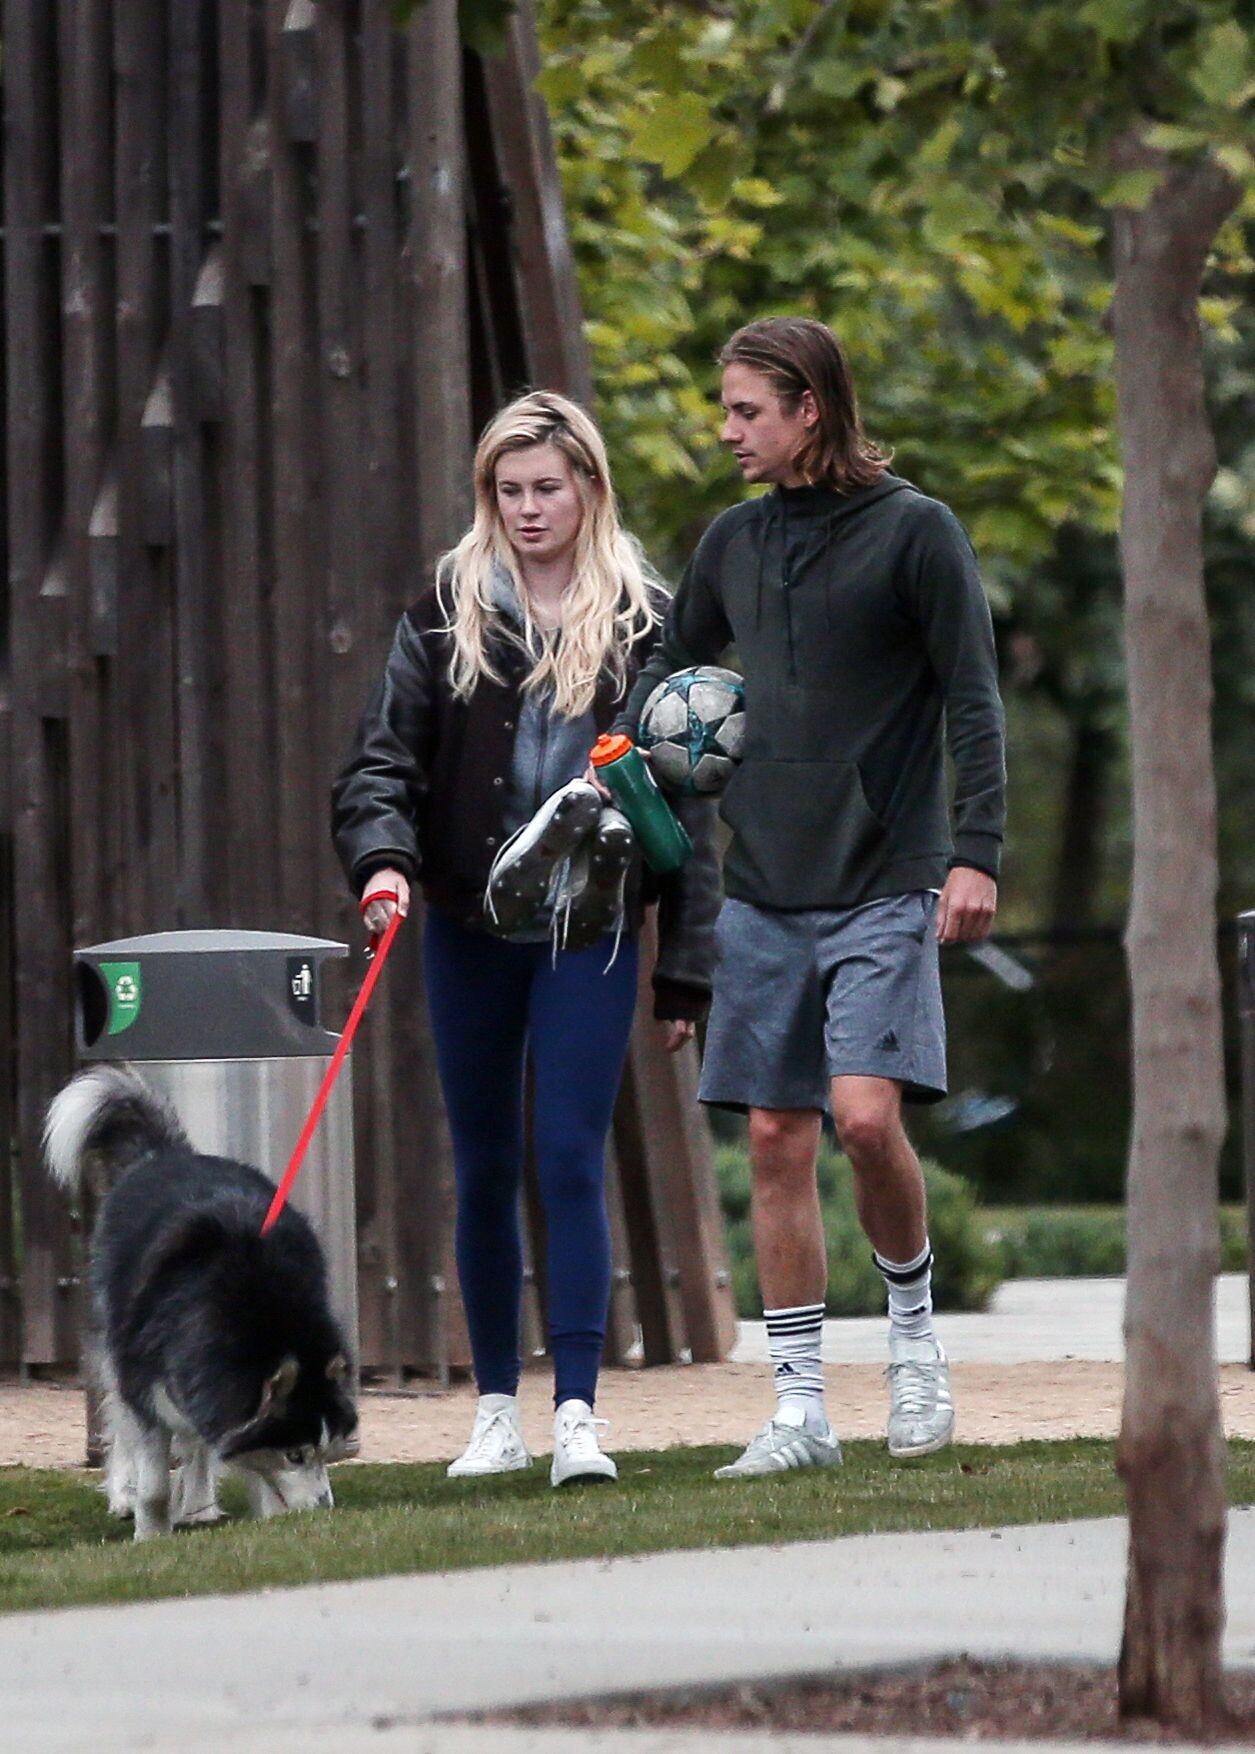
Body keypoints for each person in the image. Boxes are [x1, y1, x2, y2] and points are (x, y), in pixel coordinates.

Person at [613, 318, 1006, 1477]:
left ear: (808, 410)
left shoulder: (918, 532)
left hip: (885, 874)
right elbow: (664, 663)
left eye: (746, 410)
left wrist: (977, 851)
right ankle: (799, 1410)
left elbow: (973, 696)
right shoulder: (731, 540)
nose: (727, 430)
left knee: (865, 1118)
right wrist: (649, 733)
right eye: (726, 409)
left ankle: (914, 1342)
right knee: (776, 1134)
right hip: (762, 885)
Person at [332, 391, 717, 1487]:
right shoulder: (445, 611)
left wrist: (687, 967)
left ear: (589, 487)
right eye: (507, 491)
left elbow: (692, 808)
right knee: (486, 1163)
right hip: (467, 919)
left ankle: (578, 1415)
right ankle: (496, 1410)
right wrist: (383, 861)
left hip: (591, 925)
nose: (528, 508)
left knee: (566, 1154)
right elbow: (380, 761)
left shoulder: (647, 623)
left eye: (547, 486)